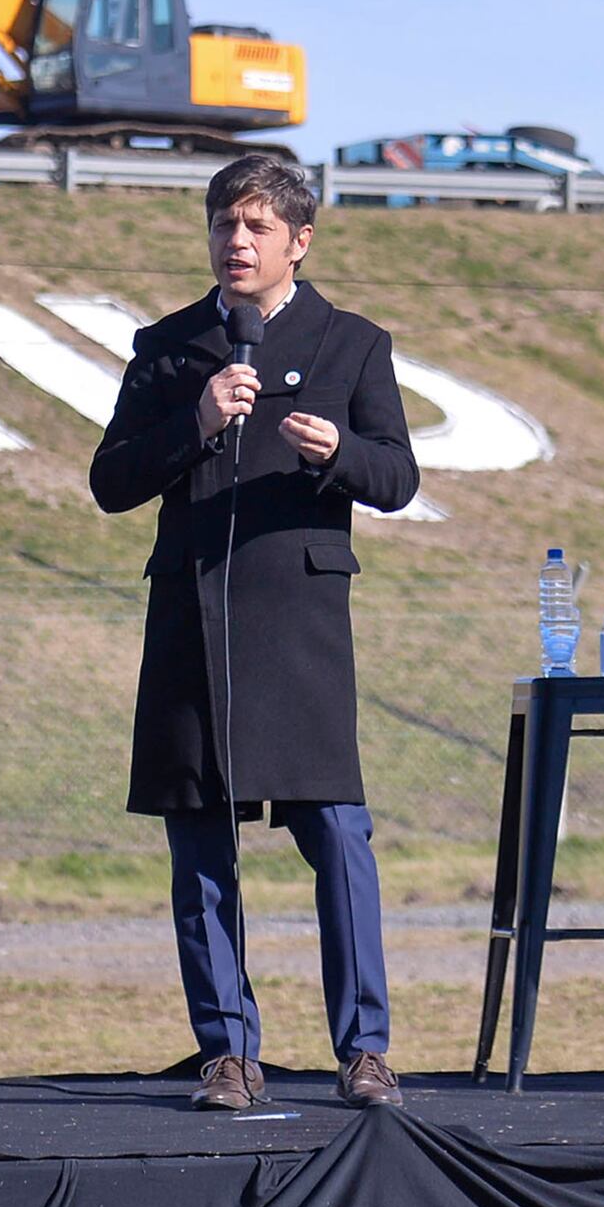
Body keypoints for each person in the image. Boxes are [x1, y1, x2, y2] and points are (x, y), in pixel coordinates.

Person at [91, 154, 421, 1112]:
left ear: (299, 241)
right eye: (224, 226)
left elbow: (398, 478)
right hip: (195, 621)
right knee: (202, 846)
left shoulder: (352, 343)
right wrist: (195, 418)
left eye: (257, 229)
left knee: (338, 839)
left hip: (301, 629)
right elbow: (111, 482)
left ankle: (364, 1049)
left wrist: (342, 453)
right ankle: (228, 1050)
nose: (237, 243)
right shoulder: (168, 345)